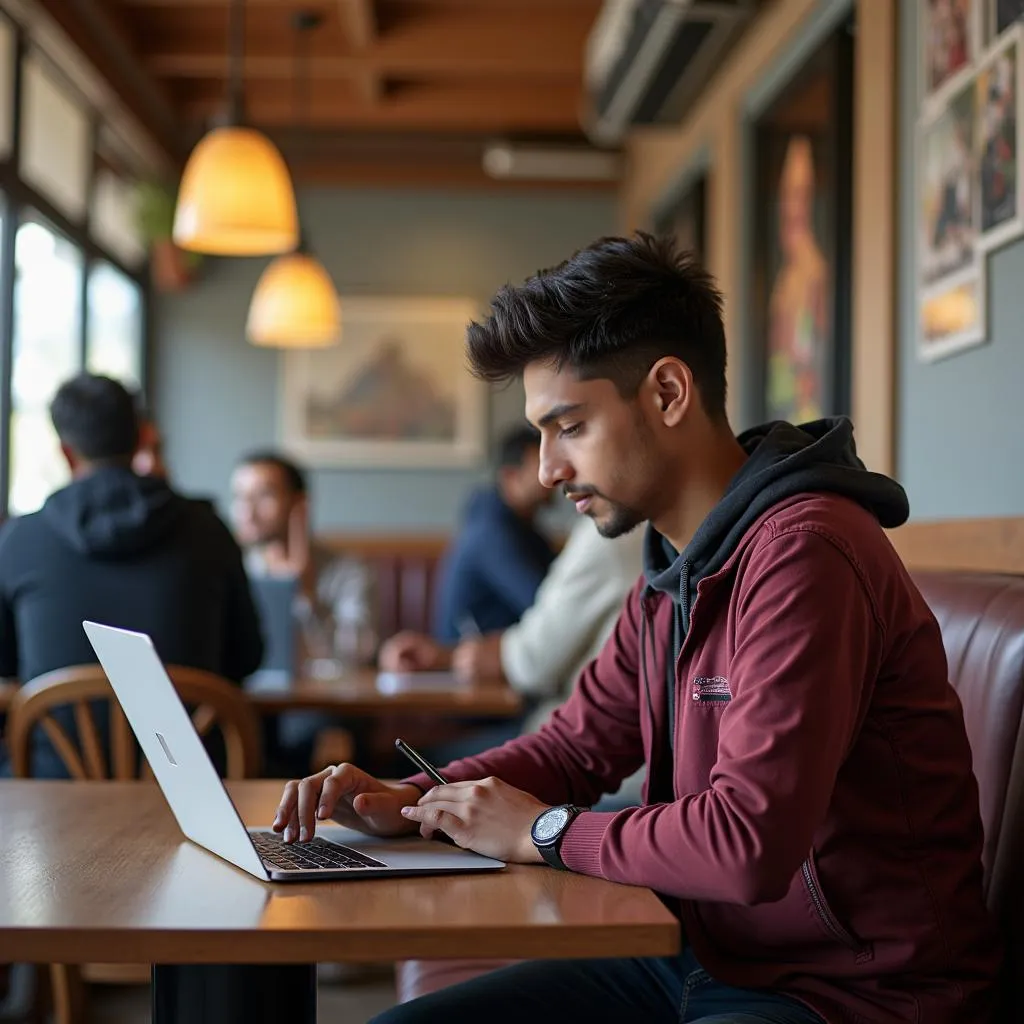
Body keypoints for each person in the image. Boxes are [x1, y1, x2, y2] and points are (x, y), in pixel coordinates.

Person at [273, 234, 999, 1024]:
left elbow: (747, 841)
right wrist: (409, 800)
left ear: (667, 393)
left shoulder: (806, 555)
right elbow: (576, 747)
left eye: (570, 426)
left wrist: (543, 830)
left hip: (854, 996)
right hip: (698, 957)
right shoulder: (673, 566)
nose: (547, 468)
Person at [0, 373, 263, 778]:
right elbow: (247, 657)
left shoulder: (21, 539)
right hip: (193, 793)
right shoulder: (207, 530)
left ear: (67, 454)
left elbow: (6, 663)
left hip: (50, 796)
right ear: (141, 437)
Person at [380, 515, 644, 770]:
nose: (551, 475)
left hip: (583, 754)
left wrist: (498, 655)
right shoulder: (648, 536)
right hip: (585, 747)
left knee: (400, 765)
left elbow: (534, 662)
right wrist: (447, 658)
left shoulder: (611, 534)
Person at [230, 451, 376, 668]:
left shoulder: (348, 571)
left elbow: (359, 653)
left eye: (264, 496)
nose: (247, 512)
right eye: (241, 497)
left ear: (299, 503)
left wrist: (306, 595)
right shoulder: (233, 567)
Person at [428, 424, 555, 646]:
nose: (552, 475)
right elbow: (545, 605)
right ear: (509, 476)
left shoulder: (525, 529)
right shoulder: (490, 533)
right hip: (464, 669)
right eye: (541, 466)